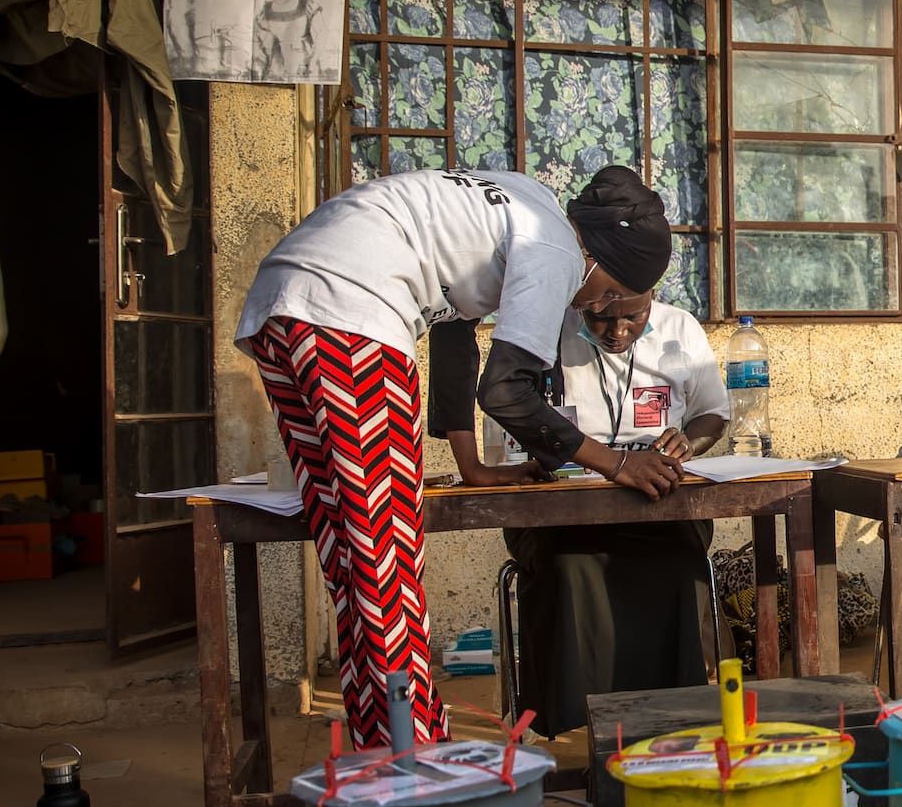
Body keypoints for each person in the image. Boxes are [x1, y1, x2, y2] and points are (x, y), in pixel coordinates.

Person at [237, 164, 677, 749]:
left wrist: (471, 466)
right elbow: (508, 392)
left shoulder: (527, 200)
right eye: (610, 296)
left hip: (285, 305)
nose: (595, 309)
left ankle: (384, 747)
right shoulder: (557, 254)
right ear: (602, 270)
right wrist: (617, 464)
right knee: (386, 558)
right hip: (353, 316)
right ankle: (419, 759)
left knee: (353, 552)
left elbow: (452, 336)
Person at [444, 279, 729, 736]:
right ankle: (581, 720)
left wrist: (688, 441)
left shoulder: (682, 329)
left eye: (632, 318)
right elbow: (499, 405)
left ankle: (674, 717)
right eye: (601, 318)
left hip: (655, 509)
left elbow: (714, 412)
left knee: (677, 561)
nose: (617, 331)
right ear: (581, 302)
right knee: (569, 565)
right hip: (558, 515)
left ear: (651, 297)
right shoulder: (541, 332)